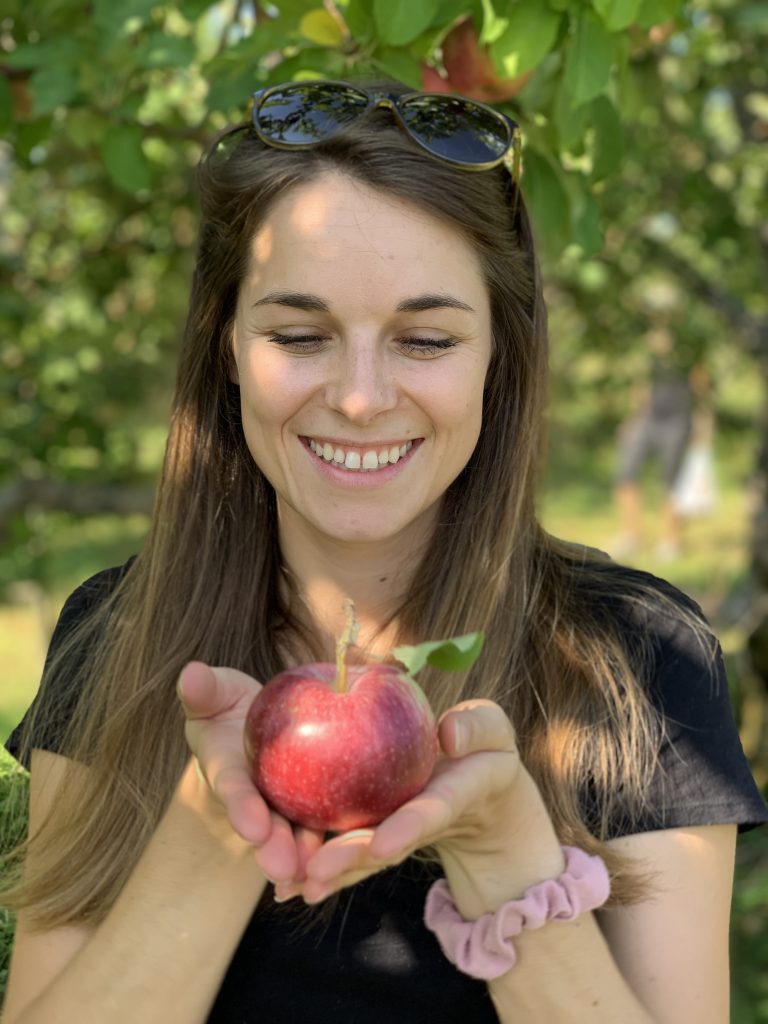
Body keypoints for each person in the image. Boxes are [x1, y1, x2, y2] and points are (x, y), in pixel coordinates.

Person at [2, 78, 766, 1024]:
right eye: (298, 333)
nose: (361, 398)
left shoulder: (634, 660)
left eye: (425, 339)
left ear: (499, 356)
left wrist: (506, 856)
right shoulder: (120, 634)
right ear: (228, 348)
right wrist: (218, 827)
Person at [613, 323, 711, 561]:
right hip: (648, 420)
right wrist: (632, 419)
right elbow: (642, 388)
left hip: (678, 423)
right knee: (625, 475)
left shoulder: (689, 354)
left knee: (672, 482)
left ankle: (671, 541)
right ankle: (631, 535)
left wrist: (703, 428)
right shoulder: (649, 355)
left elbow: (703, 392)